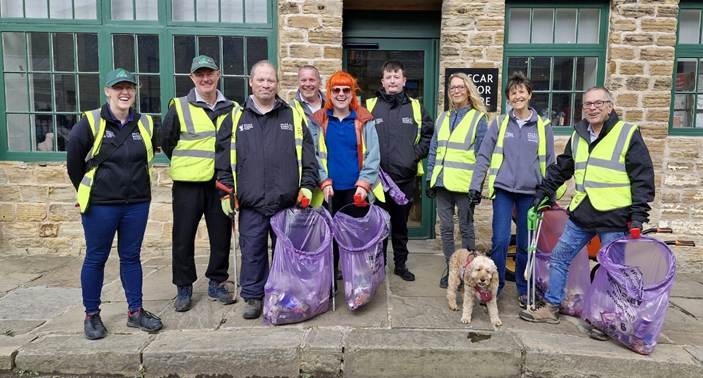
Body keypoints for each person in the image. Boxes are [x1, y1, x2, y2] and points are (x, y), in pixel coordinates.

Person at [519, 87, 655, 332]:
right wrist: (544, 192)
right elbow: (563, 168)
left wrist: (638, 216)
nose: (592, 108)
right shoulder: (579, 134)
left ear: (610, 106)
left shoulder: (626, 134)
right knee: (559, 257)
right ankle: (551, 307)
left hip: (615, 214)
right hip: (583, 211)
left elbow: (642, 178)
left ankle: (606, 319)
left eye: (598, 103)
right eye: (588, 104)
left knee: (612, 271)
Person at [215, 60, 318, 319]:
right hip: (250, 202)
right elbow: (223, 160)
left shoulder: (292, 116)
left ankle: (287, 294)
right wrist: (226, 191)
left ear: (277, 84)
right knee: (252, 251)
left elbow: (308, 156)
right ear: (251, 82)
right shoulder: (236, 117)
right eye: (260, 79)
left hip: (287, 201)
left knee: (288, 254)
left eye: (270, 80)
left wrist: (306, 187)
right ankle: (253, 295)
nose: (265, 84)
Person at [67, 68, 162, 340]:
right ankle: (91, 315)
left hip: (136, 204)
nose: (124, 92)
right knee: (96, 258)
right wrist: (87, 191)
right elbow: (74, 163)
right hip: (101, 205)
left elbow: (150, 155)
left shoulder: (145, 123)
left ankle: (135, 311)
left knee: (131, 257)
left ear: (135, 91)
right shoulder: (90, 122)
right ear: (107, 91)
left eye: (129, 87)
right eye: (118, 87)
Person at [468, 72, 557, 308]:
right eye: (513, 93)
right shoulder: (499, 123)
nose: (518, 96)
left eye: (521, 91)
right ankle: (494, 288)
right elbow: (484, 155)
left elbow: (550, 161)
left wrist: (548, 192)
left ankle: (522, 288)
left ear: (529, 94)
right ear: (508, 98)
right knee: (500, 240)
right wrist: (476, 186)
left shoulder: (542, 126)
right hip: (504, 190)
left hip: (531, 193)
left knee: (527, 244)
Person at [160, 55, 237, 312]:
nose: (205, 78)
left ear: (218, 74)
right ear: (192, 78)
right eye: (199, 74)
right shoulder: (179, 106)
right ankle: (184, 286)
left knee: (221, 233)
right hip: (188, 184)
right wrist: (188, 166)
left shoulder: (233, 108)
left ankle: (216, 281)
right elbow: (167, 142)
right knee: (183, 236)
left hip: (220, 182)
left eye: (210, 73)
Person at [365, 61, 434, 281]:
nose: (393, 80)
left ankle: (400, 265)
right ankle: (379, 265)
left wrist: (413, 155)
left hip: (404, 179)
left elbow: (428, 135)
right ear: (382, 81)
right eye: (389, 77)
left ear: (404, 81)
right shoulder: (369, 105)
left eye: (397, 77)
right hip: (377, 180)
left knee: (400, 227)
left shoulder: (416, 107)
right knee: (378, 225)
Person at [310, 70, 381, 279]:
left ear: (353, 94)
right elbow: (313, 154)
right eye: (336, 90)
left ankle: (357, 283)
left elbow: (373, 155)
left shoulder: (363, 120)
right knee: (328, 241)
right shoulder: (319, 120)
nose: (341, 94)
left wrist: (364, 183)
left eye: (346, 90)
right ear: (329, 93)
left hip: (356, 191)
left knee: (355, 240)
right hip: (328, 192)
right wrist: (323, 180)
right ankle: (330, 283)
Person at [426, 72, 488, 289]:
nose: (456, 91)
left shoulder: (478, 119)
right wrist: (429, 178)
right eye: (452, 87)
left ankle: (469, 270)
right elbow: (434, 149)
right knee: (445, 229)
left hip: (464, 185)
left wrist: (477, 186)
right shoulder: (443, 117)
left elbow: (482, 156)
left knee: (466, 228)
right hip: (442, 182)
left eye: (460, 87)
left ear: (468, 90)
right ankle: (452, 269)